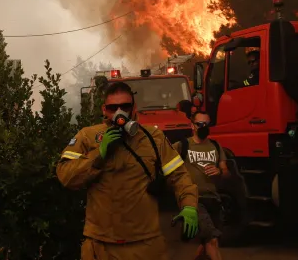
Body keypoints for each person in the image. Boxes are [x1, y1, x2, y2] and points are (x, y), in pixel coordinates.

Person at [57, 81, 199, 260]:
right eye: (113, 107)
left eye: (125, 106)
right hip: (100, 246)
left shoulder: (153, 137)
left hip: (145, 244)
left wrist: (189, 206)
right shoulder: (87, 136)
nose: (119, 112)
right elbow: (65, 176)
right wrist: (98, 154)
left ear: (134, 108)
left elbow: (179, 176)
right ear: (104, 110)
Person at [173, 112, 230, 260]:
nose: (203, 127)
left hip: (214, 199)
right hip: (194, 199)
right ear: (192, 126)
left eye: (207, 124)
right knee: (212, 240)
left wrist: (219, 171)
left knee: (205, 244)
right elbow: (165, 161)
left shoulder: (216, 146)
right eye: (200, 124)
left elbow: (226, 173)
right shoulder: (182, 146)